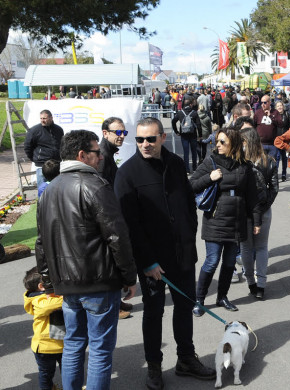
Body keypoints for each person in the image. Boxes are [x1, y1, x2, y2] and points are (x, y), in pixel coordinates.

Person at [114, 117, 216, 389]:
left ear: (162, 137)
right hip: (153, 262)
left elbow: (185, 203)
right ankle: (155, 367)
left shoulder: (176, 163)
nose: (144, 144)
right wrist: (146, 262)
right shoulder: (127, 173)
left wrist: (190, 232)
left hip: (183, 254)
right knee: (154, 312)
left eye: (150, 139)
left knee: (184, 307)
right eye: (139, 139)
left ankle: (186, 359)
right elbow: (129, 226)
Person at [35, 130, 137, 389]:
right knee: (100, 350)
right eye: (96, 152)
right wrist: (128, 276)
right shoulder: (95, 185)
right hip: (98, 282)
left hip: (67, 284)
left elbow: (41, 241)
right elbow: (117, 236)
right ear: (82, 155)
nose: (100, 155)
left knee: (73, 343)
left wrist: (48, 279)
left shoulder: (49, 190)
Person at [190, 127, 260, 315]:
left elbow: (252, 196)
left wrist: (256, 221)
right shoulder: (210, 162)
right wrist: (209, 178)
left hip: (237, 220)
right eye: (217, 141)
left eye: (223, 142)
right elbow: (190, 185)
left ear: (234, 144)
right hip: (215, 220)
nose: (218, 145)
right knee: (212, 261)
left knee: (229, 262)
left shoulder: (244, 165)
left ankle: (222, 297)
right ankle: (199, 300)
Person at [97, 117, 134, 320]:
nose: (121, 136)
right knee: (112, 261)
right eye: (117, 133)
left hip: (113, 213)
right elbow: (100, 191)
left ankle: (117, 301)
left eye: (124, 133)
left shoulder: (108, 153)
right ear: (105, 133)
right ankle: (113, 306)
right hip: (107, 217)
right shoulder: (103, 156)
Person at [239, 126, 278, 299]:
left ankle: (251, 283)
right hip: (264, 210)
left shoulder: (239, 162)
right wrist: (264, 206)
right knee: (262, 247)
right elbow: (274, 188)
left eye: (242, 142)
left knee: (246, 248)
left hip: (245, 211)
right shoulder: (269, 161)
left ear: (247, 142)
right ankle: (260, 284)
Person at [23, 266, 64, 390]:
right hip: (44, 348)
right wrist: (68, 295)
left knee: (68, 370)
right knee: (46, 374)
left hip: (61, 344)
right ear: (42, 286)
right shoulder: (37, 300)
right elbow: (48, 306)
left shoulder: (50, 296)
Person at [24, 110, 64, 188]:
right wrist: (35, 158)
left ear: (51, 118)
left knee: (57, 189)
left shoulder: (58, 130)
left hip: (56, 164)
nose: (42, 120)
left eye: (44, 118)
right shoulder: (34, 130)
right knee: (42, 189)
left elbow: (61, 144)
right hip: (41, 164)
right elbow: (27, 147)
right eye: (41, 118)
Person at [172, 97, 203, 174]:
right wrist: (200, 135)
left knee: (186, 152)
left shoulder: (180, 113)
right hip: (193, 135)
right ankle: (195, 168)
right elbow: (199, 125)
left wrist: (176, 131)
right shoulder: (194, 113)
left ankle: (187, 169)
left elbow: (173, 121)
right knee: (194, 151)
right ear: (190, 104)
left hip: (184, 135)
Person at [254, 94, 283, 159]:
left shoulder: (275, 112)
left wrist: (271, 116)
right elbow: (253, 126)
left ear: (269, 102)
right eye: (261, 102)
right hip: (261, 144)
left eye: (265, 102)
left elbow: (280, 124)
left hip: (272, 144)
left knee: (272, 166)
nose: (262, 104)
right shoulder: (258, 112)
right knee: (261, 165)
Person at [275, 100, 290, 182]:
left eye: (281, 105)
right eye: (278, 106)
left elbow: (289, 127)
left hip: (285, 139)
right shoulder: (274, 115)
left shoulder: (287, 114)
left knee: (284, 158)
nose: (279, 107)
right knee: (277, 157)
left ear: (283, 106)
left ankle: (284, 173)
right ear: (276, 107)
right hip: (277, 139)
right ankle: (276, 174)